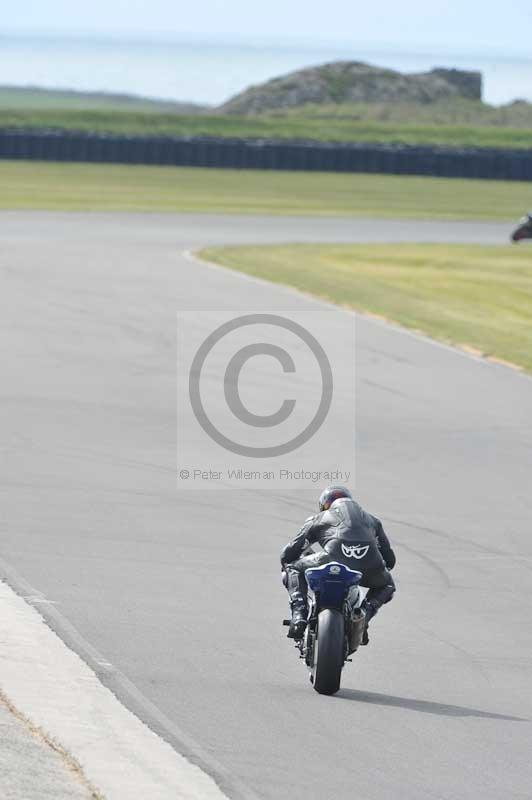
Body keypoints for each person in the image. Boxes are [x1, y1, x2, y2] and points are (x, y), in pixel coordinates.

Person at [280, 485, 396, 642]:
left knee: (293, 567)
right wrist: (377, 567)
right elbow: (390, 560)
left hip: (330, 559)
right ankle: (363, 617)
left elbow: (288, 554)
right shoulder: (373, 521)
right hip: (369, 564)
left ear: (324, 505)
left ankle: (299, 614)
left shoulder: (318, 519)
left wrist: (293, 560)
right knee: (387, 584)